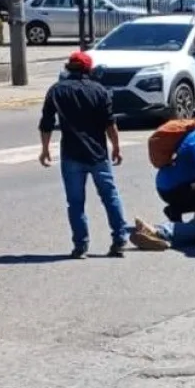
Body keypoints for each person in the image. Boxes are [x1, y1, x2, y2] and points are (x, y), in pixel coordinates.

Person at [39, 51, 128, 258]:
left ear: (68, 68)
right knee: (110, 196)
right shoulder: (99, 91)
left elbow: (46, 123)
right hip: (98, 154)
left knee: (75, 202)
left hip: (71, 154)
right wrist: (116, 146)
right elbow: (110, 123)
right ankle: (119, 239)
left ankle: (81, 245)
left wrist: (45, 149)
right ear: (89, 70)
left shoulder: (56, 91)